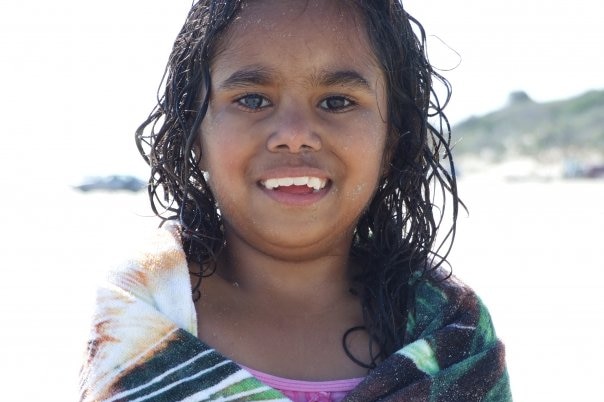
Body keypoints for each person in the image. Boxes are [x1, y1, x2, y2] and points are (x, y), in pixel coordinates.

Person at [79, 0, 512, 401]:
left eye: (337, 101)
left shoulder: (456, 338)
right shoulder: (140, 321)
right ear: (195, 132)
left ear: (391, 141)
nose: (294, 134)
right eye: (252, 99)